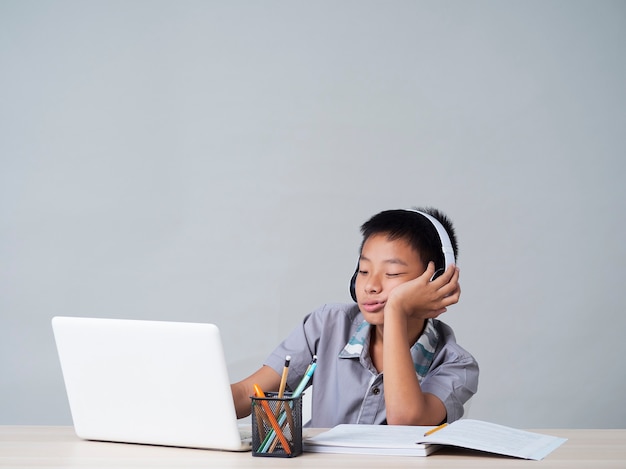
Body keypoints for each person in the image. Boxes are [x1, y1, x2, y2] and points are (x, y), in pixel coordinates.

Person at [231, 207, 478, 427]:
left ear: (437, 281)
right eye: (363, 270)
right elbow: (246, 394)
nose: (371, 285)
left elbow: (406, 420)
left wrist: (396, 311)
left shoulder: (456, 364)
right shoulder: (327, 325)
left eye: (392, 273)